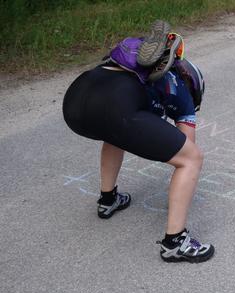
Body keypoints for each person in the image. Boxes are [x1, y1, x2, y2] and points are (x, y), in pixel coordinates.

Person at [62, 20, 213, 263]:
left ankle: (108, 200)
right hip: (116, 108)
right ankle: (175, 242)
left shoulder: (144, 72)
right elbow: (186, 150)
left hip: (76, 101)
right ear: (193, 85)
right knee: (191, 160)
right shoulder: (183, 94)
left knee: (115, 134)